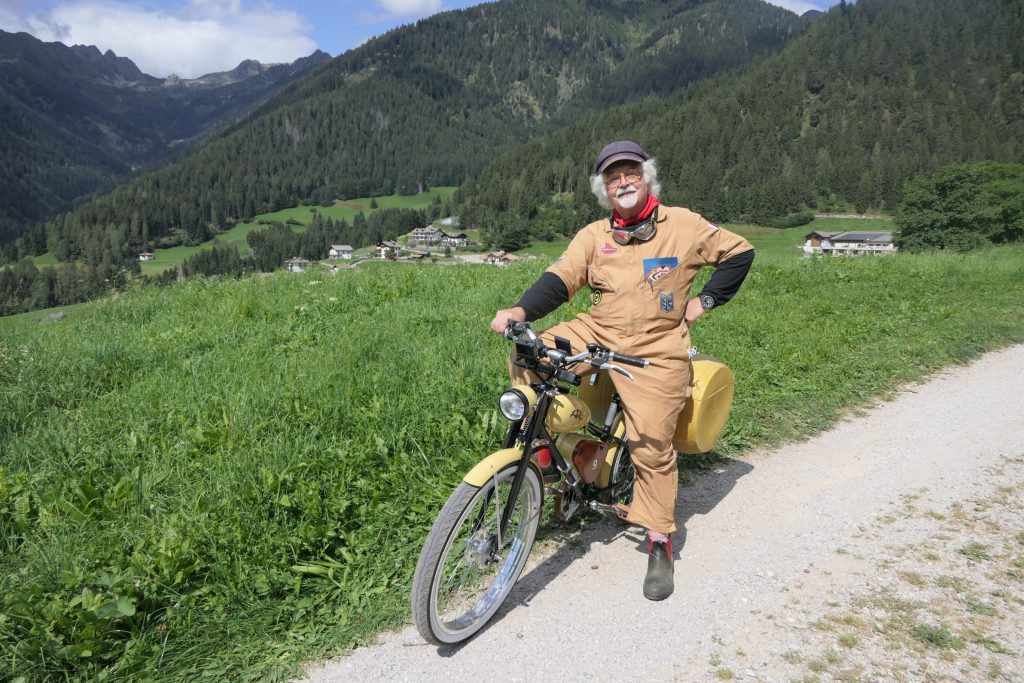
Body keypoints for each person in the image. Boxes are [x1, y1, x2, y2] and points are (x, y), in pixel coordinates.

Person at [489, 140, 755, 600]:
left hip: (657, 347)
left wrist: (703, 302)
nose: (623, 182)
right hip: (598, 330)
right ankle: (569, 453)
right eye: (613, 177)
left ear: (647, 177)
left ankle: (658, 539)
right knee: (527, 352)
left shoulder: (685, 225)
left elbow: (741, 253)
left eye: (630, 172)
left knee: (650, 444)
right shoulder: (594, 235)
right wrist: (520, 310)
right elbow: (562, 278)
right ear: (604, 189)